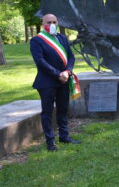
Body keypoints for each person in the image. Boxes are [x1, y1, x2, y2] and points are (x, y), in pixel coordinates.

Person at [30, 14, 81, 151]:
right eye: (49, 22)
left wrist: (67, 72)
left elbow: (71, 57)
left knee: (63, 110)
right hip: (46, 82)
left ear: (57, 23)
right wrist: (58, 74)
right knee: (47, 113)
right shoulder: (36, 40)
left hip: (64, 80)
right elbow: (40, 62)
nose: (52, 24)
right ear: (43, 24)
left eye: (54, 22)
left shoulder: (62, 38)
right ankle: (50, 142)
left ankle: (64, 136)